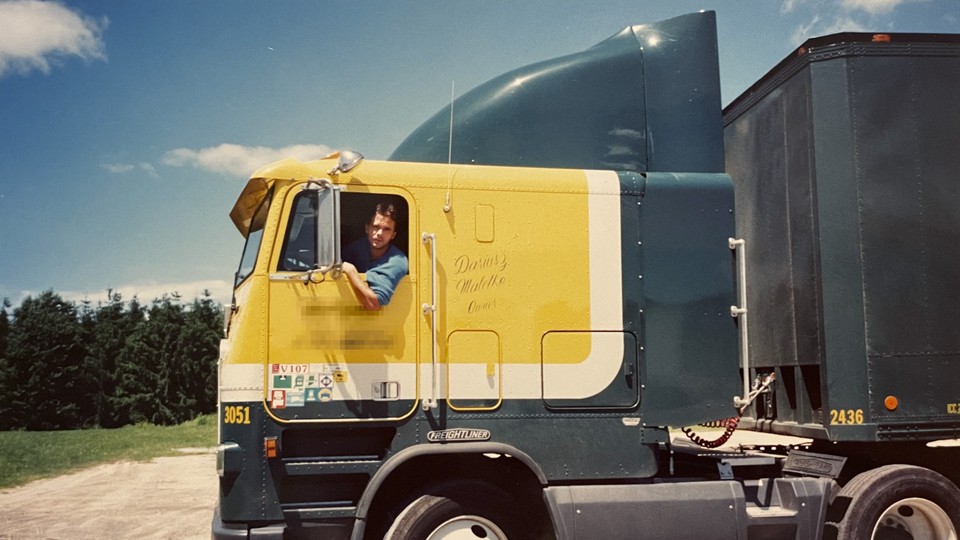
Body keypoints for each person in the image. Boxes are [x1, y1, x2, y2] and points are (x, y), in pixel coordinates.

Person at [341, 202, 409, 310]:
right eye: (376, 227)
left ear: (393, 235)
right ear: (367, 228)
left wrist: (351, 271)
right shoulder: (358, 247)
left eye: (387, 229)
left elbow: (373, 304)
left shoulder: (398, 261)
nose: (379, 233)